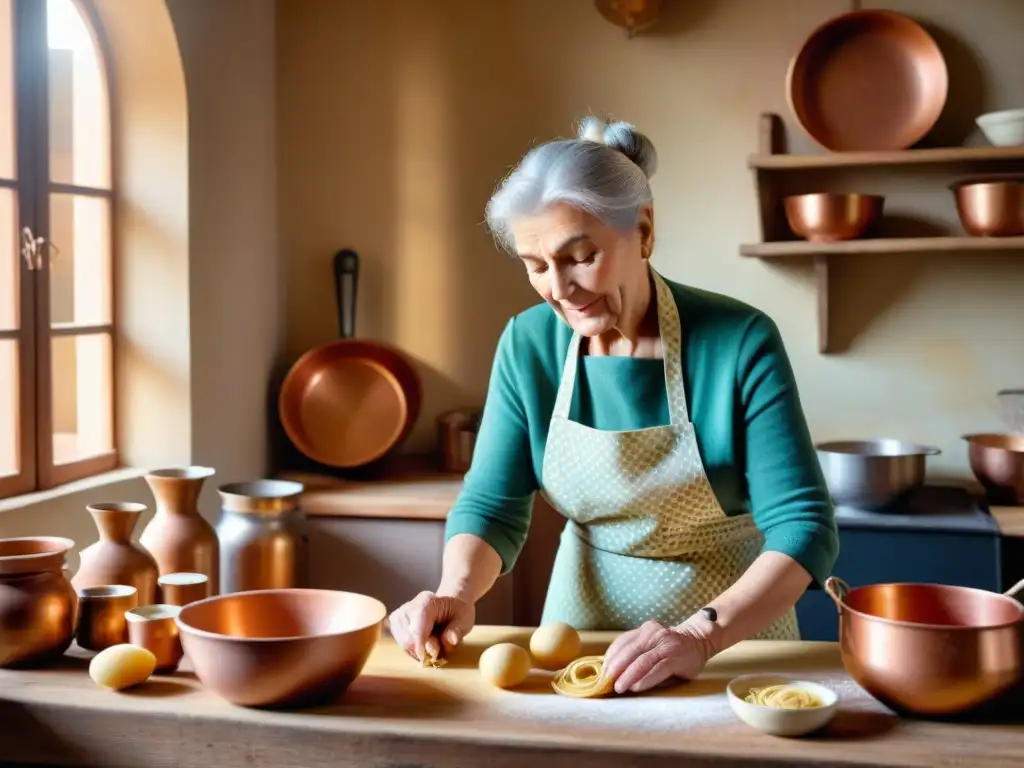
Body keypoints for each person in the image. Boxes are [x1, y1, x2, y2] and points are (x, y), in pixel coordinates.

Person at [388, 116, 839, 694]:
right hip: (581, 640)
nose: (559, 288)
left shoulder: (739, 341)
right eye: (536, 265)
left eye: (579, 256)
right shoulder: (529, 344)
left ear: (644, 232)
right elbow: (492, 505)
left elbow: (804, 528)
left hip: (728, 643)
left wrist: (700, 636)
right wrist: (454, 591)